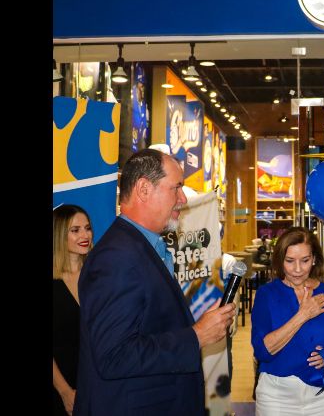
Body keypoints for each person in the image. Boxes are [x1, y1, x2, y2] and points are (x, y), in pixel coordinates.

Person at [75, 148, 236, 416]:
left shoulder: (141, 248)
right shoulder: (117, 258)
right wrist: (196, 335)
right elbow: (114, 356)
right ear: (143, 189)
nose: (183, 199)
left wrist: (199, 325)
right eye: (176, 188)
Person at [251, 226, 324, 415]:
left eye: (305, 260)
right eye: (290, 261)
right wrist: (303, 315)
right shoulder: (267, 295)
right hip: (276, 396)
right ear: (280, 261)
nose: (298, 269)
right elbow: (263, 350)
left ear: (315, 259)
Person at [53, 205, 93, 416]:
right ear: (59, 234)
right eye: (75, 230)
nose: (85, 235)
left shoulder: (99, 275)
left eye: (87, 228)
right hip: (61, 389)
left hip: (98, 384)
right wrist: (65, 392)